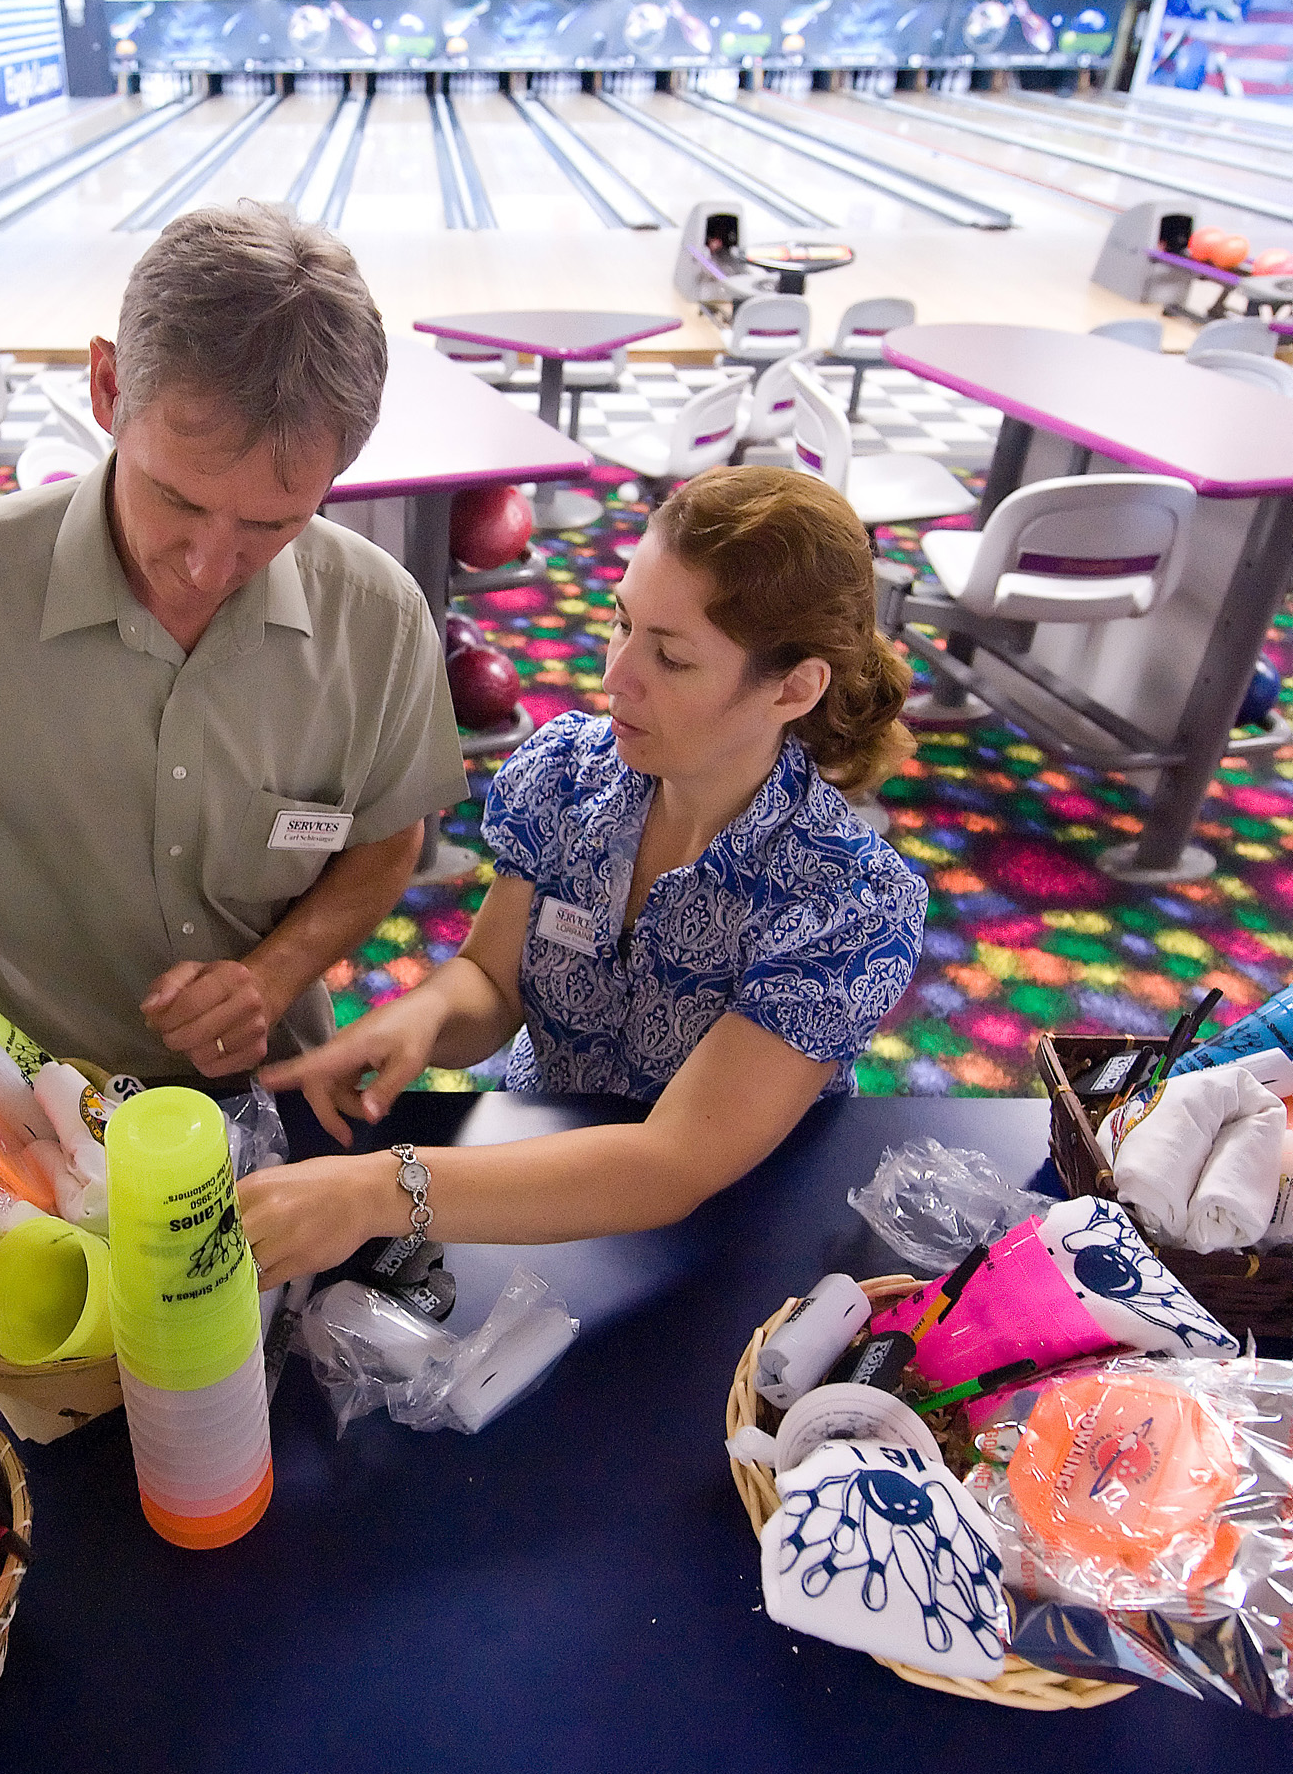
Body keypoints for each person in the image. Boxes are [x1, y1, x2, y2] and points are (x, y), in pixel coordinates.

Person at [0, 203, 468, 1089]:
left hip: (265, 1093)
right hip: (12, 1105)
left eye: (274, 522)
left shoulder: (377, 618)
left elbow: (385, 837)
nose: (207, 565)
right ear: (107, 389)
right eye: (177, 500)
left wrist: (274, 974)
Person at [244, 466, 927, 1285]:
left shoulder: (847, 905)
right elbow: (492, 983)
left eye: (670, 659)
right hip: (526, 1178)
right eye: (620, 621)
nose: (614, 676)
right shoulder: (568, 772)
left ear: (793, 687)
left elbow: (673, 1163)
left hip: (723, 1235)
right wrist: (422, 1018)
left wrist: (378, 1190)